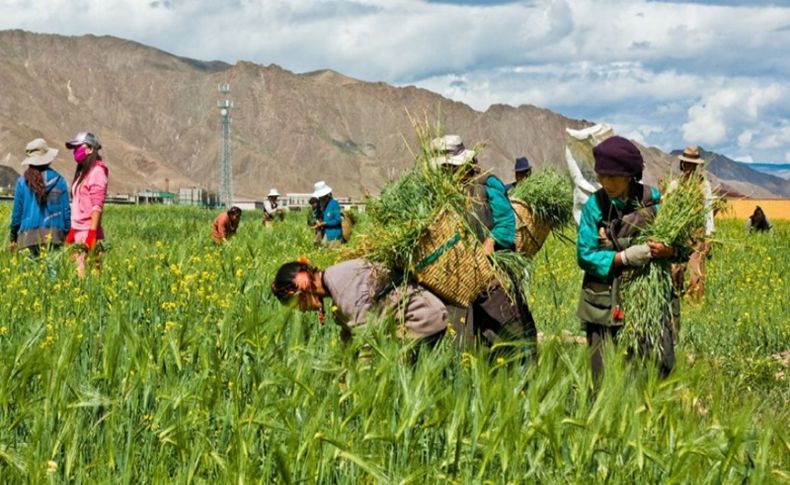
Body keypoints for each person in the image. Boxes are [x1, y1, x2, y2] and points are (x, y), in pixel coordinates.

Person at [576, 136, 676, 382]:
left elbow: (680, 245)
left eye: (612, 177)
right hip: (603, 301)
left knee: (652, 370)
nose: (605, 183)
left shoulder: (653, 202)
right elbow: (585, 254)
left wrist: (668, 250)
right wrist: (624, 257)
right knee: (602, 374)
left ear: (630, 175)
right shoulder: (595, 206)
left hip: (645, 299)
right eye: (601, 176)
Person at [429, 135, 538, 359]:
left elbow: (506, 222)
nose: (446, 173)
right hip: (462, 275)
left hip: (493, 270)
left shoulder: (487, 184)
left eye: (449, 167)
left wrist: (490, 242)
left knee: (506, 327)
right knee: (463, 331)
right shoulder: (443, 192)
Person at [271, 258, 448, 343]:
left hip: (421, 320)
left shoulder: (342, 289)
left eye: (296, 305)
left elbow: (367, 342)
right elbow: (349, 339)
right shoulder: (335, 292)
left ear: (301, 287)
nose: (301, 310)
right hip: (414, 322)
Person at [8, 138, 71, 256]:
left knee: (30, 274)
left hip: (27, 239)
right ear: (48, 159)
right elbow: (66, 213)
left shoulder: (22, 182)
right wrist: (67, 235)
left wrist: (13, 237)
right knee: (52, 274)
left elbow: (17, 216)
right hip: (55, 238)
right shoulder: (60, 180)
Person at [669, 146, 714, 302]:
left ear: (696, 166)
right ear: (682, 165)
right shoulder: (675, 185)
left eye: (692, 165)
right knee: (676, 269)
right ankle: (677, 296)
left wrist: (709, 236)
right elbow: (668, 209)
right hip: (679, 233)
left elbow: (708, 210)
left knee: (696, 270)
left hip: (697, 234)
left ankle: (695, 302)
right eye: (687, 164)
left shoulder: (704, 185)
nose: (689, 168)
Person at [64, 132, 108, 277]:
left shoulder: (97, 172)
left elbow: (97, 206)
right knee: (77, 275)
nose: (75, 151)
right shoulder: (82, 172)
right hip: (78, 230)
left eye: (78, 147)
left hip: (88, 232)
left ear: (90, 149)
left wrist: (92, 234)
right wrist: (72, 230)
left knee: (88, 277)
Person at [312, 181, 343, 247]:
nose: (320, 199)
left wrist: (325, 223)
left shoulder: (334, 204)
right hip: (325, 233)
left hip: (334, 235)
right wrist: (318, 222)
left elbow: (338, 220)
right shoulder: (322, 205)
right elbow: (321, 217)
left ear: (325, 195)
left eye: (321, 197)